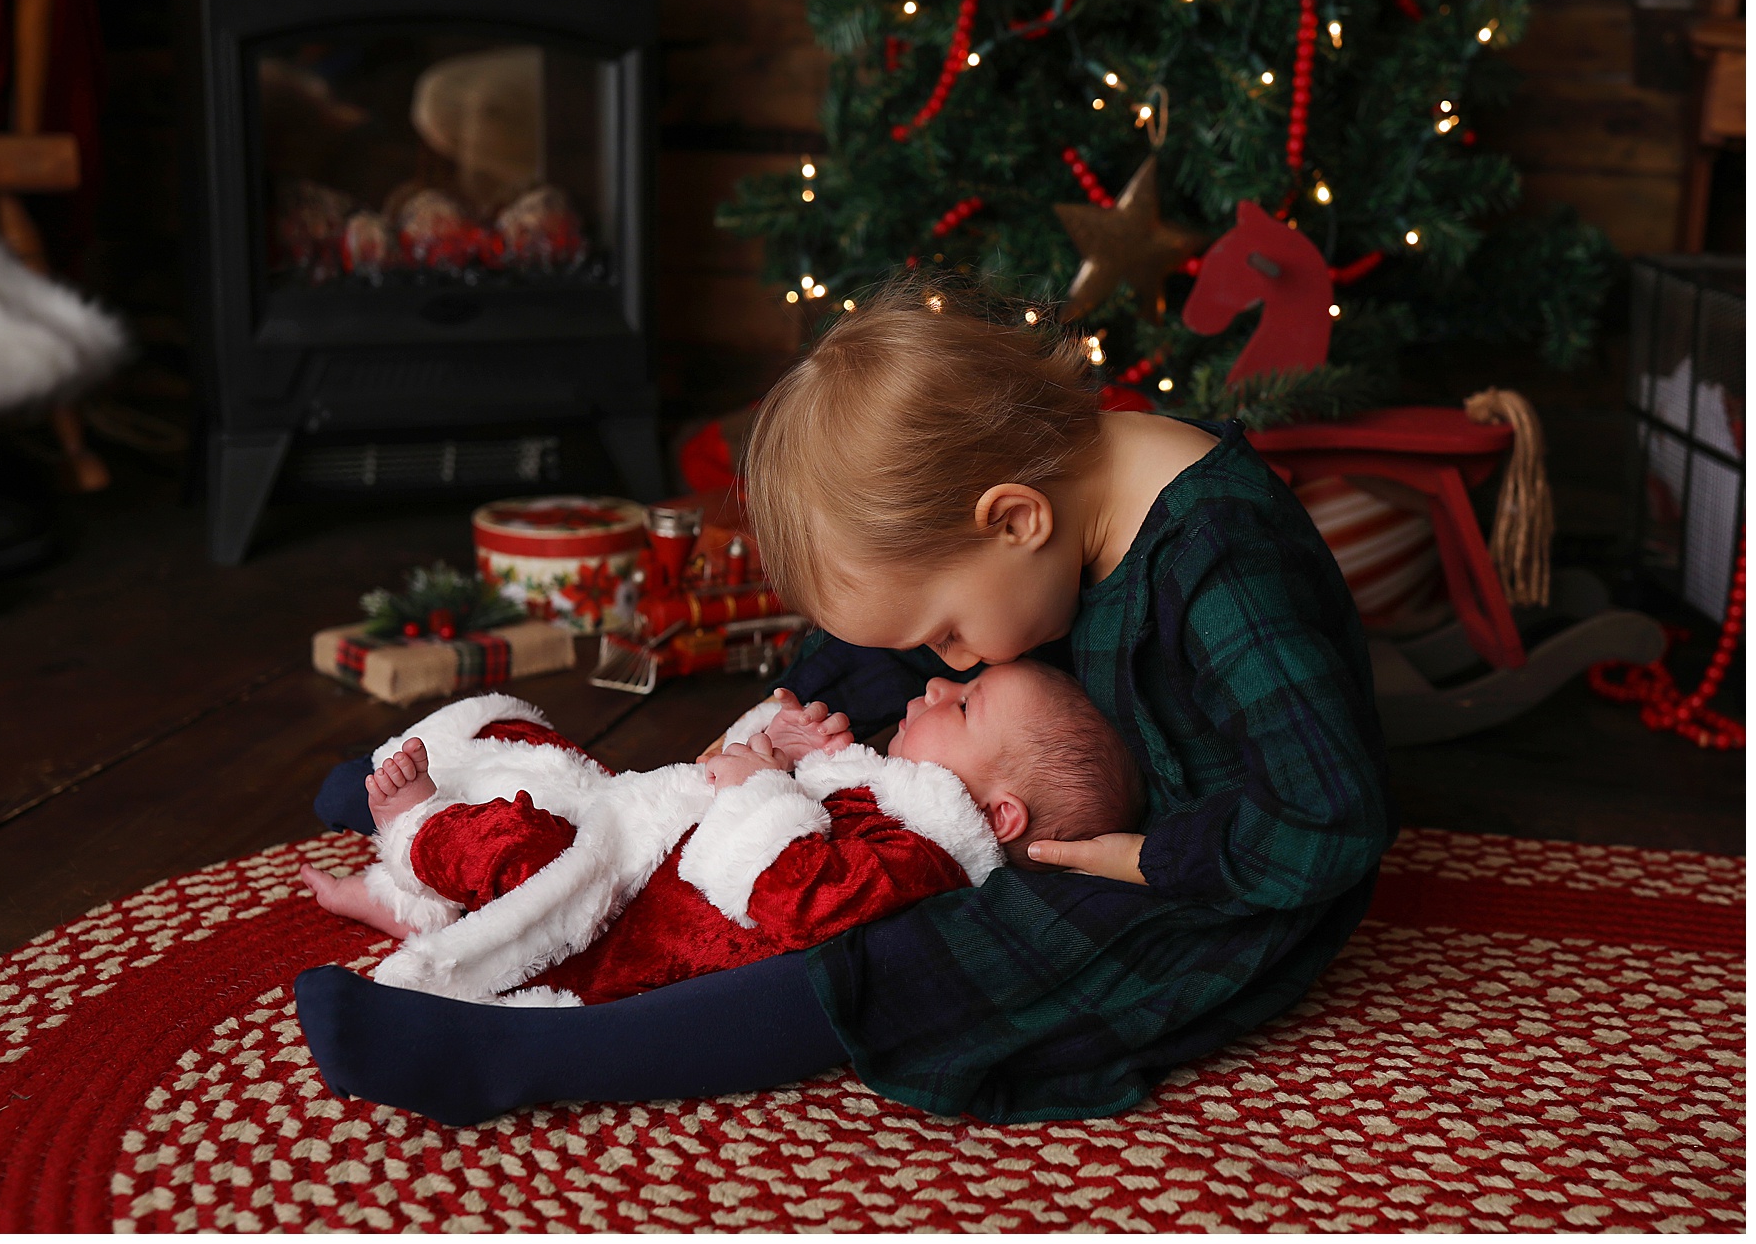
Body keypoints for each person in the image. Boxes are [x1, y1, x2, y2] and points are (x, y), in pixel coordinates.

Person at [296, 273, 1393, 1126]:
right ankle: (467, 805)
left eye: (943, 635)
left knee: (894, 936)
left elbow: (1328, 814)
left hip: (1210, 871)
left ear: (1016, 519)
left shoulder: (1222, 569)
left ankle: (522, 1057)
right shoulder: (1036, 521)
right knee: (768, 781)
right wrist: (773, 724)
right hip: (1048, 762)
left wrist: (1151, 859)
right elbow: (888, 657)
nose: (938, 656)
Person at [302, 660, 1143, 1009]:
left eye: (962, 704)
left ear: (997, 815)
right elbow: (817, 807)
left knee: (524, 850)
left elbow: (801, 894)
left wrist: (764, 785)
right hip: (649, 833)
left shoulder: (926, 857)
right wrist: (809, 755)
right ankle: (406, 894)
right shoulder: (896, 801)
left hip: (627, 926)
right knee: (534, 761)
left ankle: (412, 832)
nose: (934, 681)